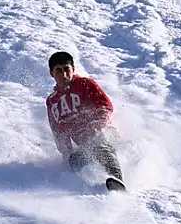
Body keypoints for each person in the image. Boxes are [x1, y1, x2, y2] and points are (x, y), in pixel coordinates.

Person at [45, 51, 126, 191]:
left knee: (100, 144)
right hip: (84, 145)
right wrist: (66, 152)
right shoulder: (52, 101)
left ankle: (117, 181)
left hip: (105, 133)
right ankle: (88, 188)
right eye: (58, 70)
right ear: (52, 73)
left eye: (66, 69)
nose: (64, 75)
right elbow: (58, 132)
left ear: (73, 69)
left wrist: (97, 126)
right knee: (74, 161)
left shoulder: (85, 84)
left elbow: (105, 107)